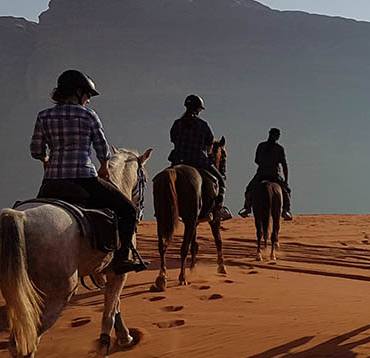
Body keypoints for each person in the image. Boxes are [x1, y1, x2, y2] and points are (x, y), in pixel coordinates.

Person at [30, 69, 148, 274]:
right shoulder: (88, 115)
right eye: (87, 95)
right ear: (77, 92)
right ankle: (122, 259)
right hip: (83, 180)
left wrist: (46, 159)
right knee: (129, 210)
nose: (88, 100)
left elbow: (36, 150)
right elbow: (103, 149)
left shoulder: (44, 116)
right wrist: (103, 166)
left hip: (51, 183)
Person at [168, 94, 233, 221]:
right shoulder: (202, 125)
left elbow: (173, 140)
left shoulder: (177, 124)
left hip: (177, 161)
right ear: (198, 109)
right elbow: (209, 145)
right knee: (221, 181)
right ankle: (218, 209)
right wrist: (209, 156)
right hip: (198, 160)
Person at [237, 128, 293, 221]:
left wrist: (264, 164)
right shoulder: (279, 148)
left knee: (249, 189)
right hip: (274, 175)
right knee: (286, 191)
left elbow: (256, 160)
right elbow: (284, 164)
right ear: (277, 137)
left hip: (261, 174)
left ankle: (247, 208)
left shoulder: (261, 146)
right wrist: (286, 180)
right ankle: (285, 211)